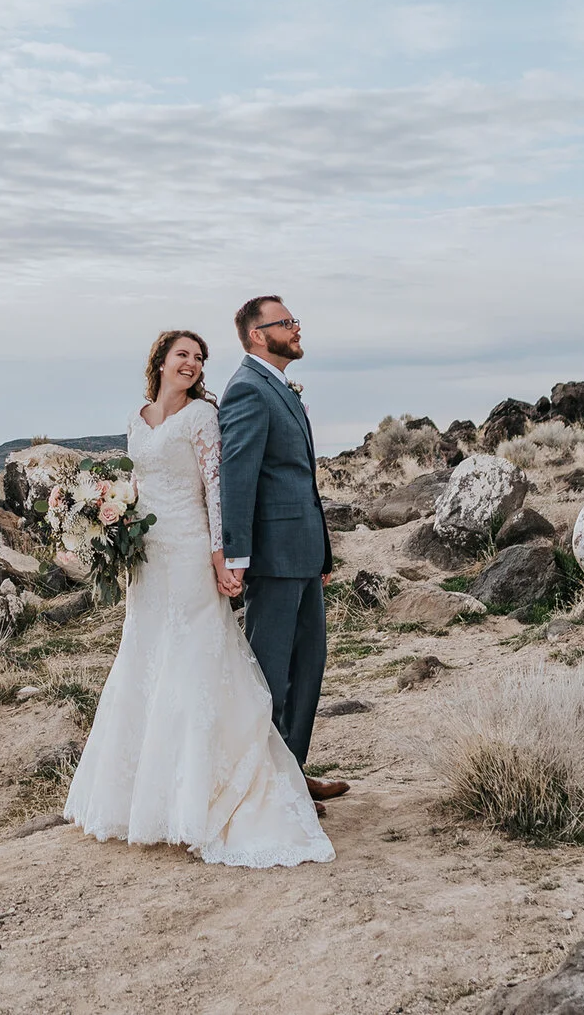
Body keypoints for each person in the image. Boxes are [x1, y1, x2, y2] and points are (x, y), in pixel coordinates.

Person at [64, 328, 333, 868]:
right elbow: (136, 487)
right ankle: (152, 797)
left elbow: (216, 488)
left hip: (190, 551)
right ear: (160, 361)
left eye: (198, 357)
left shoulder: (203, 416)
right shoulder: (137, 418)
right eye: (182, 354)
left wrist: (221, 554)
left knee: (195, 659)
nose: (191, 363)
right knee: (147, 657)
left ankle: (217, 787)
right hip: (148, 560)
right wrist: (110, 520)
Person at [216, 295, 347, 804]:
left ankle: (290, 773)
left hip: (303, 553)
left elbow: (300, 481)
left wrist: (323, 554)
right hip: (273, 558)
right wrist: (237, 557)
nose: (297, 328)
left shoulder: (278, 385)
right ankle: (261, 789)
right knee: (271, 673)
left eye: (294, 320)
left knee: (307, 666)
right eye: (286, 322)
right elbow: (238, 477)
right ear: (257, 334)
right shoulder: (248, 389)